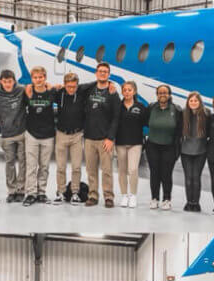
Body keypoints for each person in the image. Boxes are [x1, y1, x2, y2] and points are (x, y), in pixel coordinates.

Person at [84, 62, 120, 208]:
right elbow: (73, 88)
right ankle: (92, 196)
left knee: (107, 171)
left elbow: (116, 118)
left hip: (105, 139)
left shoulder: (113, 93)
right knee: (91, 170)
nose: (103, 74)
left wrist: (110, 138)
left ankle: (108, 197)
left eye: (105, 72)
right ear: (96, 73)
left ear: (109, 74)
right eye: (100, 71)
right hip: (89, 138)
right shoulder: (89, 90)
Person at [145, 85, 183, 211]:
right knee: (154, 173)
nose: (162, 95)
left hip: (169, 147)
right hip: (152, 146)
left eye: (165, 93)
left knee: (166, 174)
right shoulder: (151, 108)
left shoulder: (176, 110)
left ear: (169, 94)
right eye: (160, 93)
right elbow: (145, 122)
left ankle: (167, 199)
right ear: (157, 94)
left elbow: (179, 130)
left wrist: (177, 148)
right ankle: (154, 198)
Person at [53, 72, 88, 205]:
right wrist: (50, 85)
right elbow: (47, 90)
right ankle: (61, 192)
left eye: (73, 87)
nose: (71, 89)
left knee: (76, 167)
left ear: (77, 85)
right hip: (61, 134)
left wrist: (109, 84)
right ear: (64, 84)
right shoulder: (60, 93)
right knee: (60, 167)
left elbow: (94, 83)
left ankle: (75, 192)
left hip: (77, 135)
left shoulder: (82, 93)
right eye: (68, 86)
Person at [24, 66, 56, 206]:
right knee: (31, 166)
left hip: (48, 134)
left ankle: (41, 192)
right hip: (32, 133)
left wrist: (53, 86)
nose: (38, 80)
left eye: (41, 77)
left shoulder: (51, 92)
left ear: (45, 77)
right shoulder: (28, 93)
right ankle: (31, 193)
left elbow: (61, 88)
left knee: (44, 166)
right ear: (32, 79)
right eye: (35, 78)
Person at [0, 70, 27, 203]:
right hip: (6, 134)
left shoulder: (21, 91)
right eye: (5, 81)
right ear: (1, 82)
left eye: (10, 81)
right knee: (10, 163)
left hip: (21, 133)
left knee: (22, 162)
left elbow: (32, 92)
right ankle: (12, 190)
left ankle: (21, 190)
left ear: (14, 81)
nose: (7, 84)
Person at [116, 80, 147, 208]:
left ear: (134, 92)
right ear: (122, 92)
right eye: (124, 90)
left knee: (133, 169)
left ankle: (133, 195)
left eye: (129, 90)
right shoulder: (118, 106)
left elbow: (146, 123)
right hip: (120, 143)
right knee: (122, 171)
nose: (127, 92)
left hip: (136, 143)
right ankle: (124, 195)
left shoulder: (140, 107)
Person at [180, 91, 209, 213]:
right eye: (191, 101)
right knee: (188, 177)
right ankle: (188, 202)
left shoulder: (206, 114)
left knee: (196, 177)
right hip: (186, 151)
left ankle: (196, 202)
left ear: (199, 102)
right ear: (188, 102)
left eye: (195, 100)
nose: (193, 103)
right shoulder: (183, 114)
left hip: (200, 151)